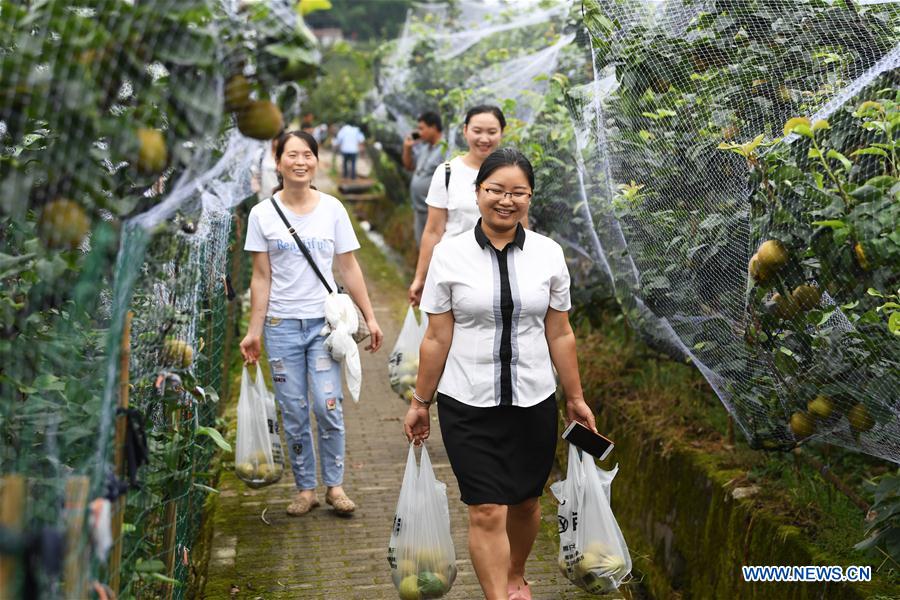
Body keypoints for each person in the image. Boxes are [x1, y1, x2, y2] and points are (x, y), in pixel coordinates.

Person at [403, 148, 597, 600]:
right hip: (466, 401)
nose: (505, 200)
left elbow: (560, 332)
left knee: (526, 503)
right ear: (477, 193)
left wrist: (575, 397)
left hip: (532, 399)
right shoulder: (448, 257)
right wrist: (419, 402)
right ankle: (498, 594)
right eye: (495, 190)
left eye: (518, 192)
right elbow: (435, 337)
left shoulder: (548, 255)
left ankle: (515, 574)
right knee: (486, 509)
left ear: (530, 198)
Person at [240, 130, 384, 517]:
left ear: (316, 161)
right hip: (281, 325)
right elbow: (260, 277)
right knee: (294, 409)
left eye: (307, 154)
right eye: (292, 155)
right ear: (278, 160)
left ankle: (335, 486)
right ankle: (305, 489)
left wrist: (370, 317)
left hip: (324, 327)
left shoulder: (333, 209)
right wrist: (254, 331)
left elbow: (348, 266)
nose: (300, 161)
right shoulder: (262, 214)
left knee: (327, 405)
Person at [407, 105, 528, 306]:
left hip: (498, 267)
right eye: (477, 131)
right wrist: (421, 277)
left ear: (502, 133)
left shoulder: (513, 173)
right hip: (453, 268)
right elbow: (433, 231)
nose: (484, 139)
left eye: (492, 132)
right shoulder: (447, 172)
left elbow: (522, 225)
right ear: (465, 131)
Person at [401, 111, 446, 246]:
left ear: (433, 127)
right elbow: (409, 166)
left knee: (433, 247)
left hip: (432, 212)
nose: (419, 132)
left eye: (422, 128)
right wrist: (407, 148)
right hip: (419, 210)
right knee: (421, 245)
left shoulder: (445, 149)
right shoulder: (425, 148)